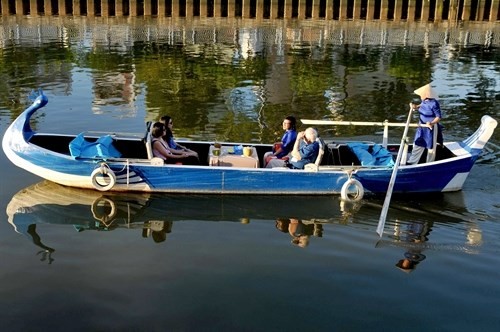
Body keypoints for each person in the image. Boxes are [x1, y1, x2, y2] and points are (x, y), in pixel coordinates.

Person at [407, 83, 443, 164]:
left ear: (426, 95)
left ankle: (429, 162)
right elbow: (421, 106)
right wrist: (415, 107)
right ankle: (412, 162)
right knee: (418, 143)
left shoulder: (434, 103)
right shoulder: (424, 101)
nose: (420, 96)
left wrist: (431, 123)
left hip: (431, 127)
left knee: (430, 146)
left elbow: (438, 117)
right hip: (422, 125)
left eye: (421, 94)